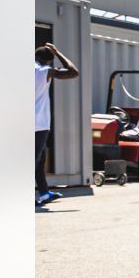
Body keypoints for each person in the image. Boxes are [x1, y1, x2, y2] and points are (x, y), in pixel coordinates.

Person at [35, 42, 79, 206]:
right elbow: (73, 72)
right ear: (47, 61)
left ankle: (45, 193)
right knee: (34, 159)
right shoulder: (44, 71)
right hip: (38, 124)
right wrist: (58, 52)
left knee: (40, 159)